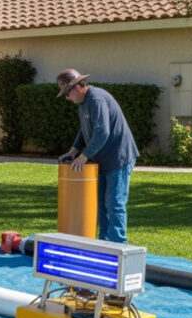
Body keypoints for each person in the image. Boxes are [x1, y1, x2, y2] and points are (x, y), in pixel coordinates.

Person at [55, 69, 139, 243]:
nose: (67, 98)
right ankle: (104, 243)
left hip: (119, 158)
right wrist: (73, 151)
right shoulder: (83, 103)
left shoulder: (96, 99)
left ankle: (118, 245)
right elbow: (84, 130)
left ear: (78, 86)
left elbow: (102, 132)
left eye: (68, 92)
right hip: (103, 159)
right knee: (101, 205)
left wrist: (84, 156)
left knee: (114, 204)